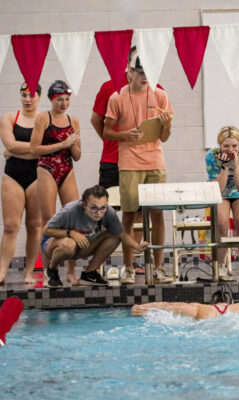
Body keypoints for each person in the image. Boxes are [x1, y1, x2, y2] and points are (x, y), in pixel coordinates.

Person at [91, 47, 165, 276]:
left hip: (147, 161)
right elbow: (97, 121)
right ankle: (114, 263)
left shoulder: (157, 89)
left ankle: (137, 261)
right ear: (128, 66)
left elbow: (162, 128)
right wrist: (114, 140)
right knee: (116, 213)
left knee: (147, 211)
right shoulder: (109, 87)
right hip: (114, 161)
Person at [104, 55, 174, 284]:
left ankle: (158, 268)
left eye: (148, 74)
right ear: (129, 72)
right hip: (129, 163)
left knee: (157, 214)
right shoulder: (117, 97)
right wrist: (125, 135)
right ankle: (129, 267)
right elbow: (107, 132)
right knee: (129, 214)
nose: (145, 78)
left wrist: (166, 124)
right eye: (140, 73)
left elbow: (164, 137)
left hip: (155, 161)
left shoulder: (160, 95)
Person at [41, 185, 148, 288]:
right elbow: (46, 230)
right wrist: (71, 233)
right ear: (84, 204)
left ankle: (89, 274)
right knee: (69, 244)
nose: (99, 213)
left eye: (103, 208)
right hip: (55, 246)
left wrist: (137, 247)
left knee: (114, 234)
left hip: (82, 246)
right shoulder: (70, 211)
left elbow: (122, 233)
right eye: (93, 208)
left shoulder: (108, 212)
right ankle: (52, 270)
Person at [0, 83, 42, 285]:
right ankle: (2, 272)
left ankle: (29, 272)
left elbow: (47, 148)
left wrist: (15, 151)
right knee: (11, 226)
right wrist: (31, 148)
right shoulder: (10, 118)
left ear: (39, 97)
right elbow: (9, 144)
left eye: (32, 95)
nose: (28, 99)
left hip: (38, 175)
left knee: (35, 226)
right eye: (24, 95)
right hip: (13, 175)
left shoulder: (45, 119)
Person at [30, 80, 82, 285]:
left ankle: (70, 272)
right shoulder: (44, 117)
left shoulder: (73, 121)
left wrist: (73, 144)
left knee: (74, 219)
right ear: (52, 99)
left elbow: (77, 156)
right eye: (60, 99)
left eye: (67, 99)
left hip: (67, 168)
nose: (64, 103)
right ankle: (46, 271)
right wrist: (62, 143)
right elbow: (34, 149)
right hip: (46, 169)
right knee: (48, 220)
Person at [205, 126, 239, 281]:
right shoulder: (212, 155)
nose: (230, 149)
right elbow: (218, 188)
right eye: (226, 146)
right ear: (220, 145)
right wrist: (225, 166)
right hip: (221, 191)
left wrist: (236, 164)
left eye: (234, 146)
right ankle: (220, 266)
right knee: (221, 223)